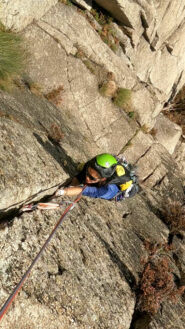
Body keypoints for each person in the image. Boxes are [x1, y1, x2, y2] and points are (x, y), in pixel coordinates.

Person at [55, 153, 139, 201]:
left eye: (92, 178)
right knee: (81, 168)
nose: (87, 178)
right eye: (88, 173)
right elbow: (79, 177)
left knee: (130, 191)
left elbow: (85, 190)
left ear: (103, 178)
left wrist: (63, 192)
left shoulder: (108, 190)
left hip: (121, 187)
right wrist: (69, 185)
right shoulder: (90, 164)